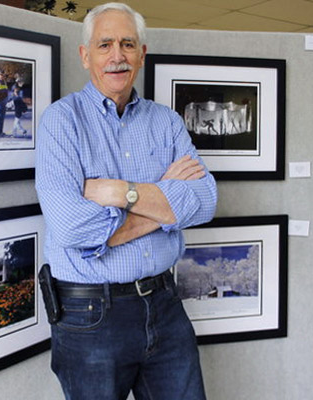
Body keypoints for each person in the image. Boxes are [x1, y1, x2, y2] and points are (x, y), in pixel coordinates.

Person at [35, 3, 217, 400]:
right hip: (90, 316)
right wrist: (164, 201)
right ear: (86, 56)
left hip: (165, 305)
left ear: (142, 54)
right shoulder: (61, 122)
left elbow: (204, 201)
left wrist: (119, 192)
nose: (117, 56)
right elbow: (70, 229)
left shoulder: (166, 121)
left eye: (127, 44)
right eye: (104, 45)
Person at [0, 70, 10, 136]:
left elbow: (6, 91)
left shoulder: (4, 82)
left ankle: (0, 132)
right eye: (1, 75)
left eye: (3, 75)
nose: (2, 76)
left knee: (2, 117)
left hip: (4, 102)